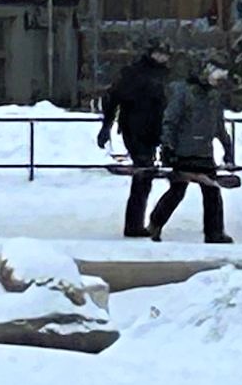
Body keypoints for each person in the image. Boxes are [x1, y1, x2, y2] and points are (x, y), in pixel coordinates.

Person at [149, 59, 234, 245]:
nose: (219, 81)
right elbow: (171, 121)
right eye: (217, 76)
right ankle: (155, 224)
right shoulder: (184, 93)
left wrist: (227, 148)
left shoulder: (214, 96)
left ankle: (214, 233)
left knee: (212, 192)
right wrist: (167, 147)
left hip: (204, 152)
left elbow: (219, 125)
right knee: (177, 190)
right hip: (183, 152)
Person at [96, 43, 170, 238]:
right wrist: (106, 126)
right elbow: (113, 98)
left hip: (153, 130)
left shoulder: (162, 75)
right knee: (143, 175)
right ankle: (134, 224)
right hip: (135, 129)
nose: (163, 58)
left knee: (145, 176)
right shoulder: (135, 74)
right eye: (159, 53)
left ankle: (135, 223)